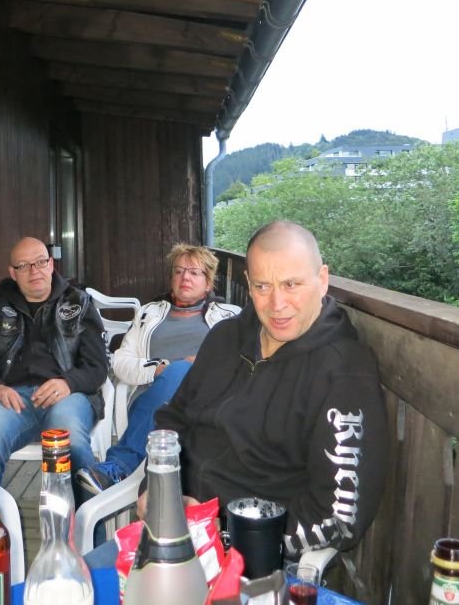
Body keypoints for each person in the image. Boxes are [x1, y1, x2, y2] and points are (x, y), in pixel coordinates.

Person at [150, 220, 389, 556]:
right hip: (171, 525)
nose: (277, 303)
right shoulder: (224, 338)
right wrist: (156, 487)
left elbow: (338, 520)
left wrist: (224, 535)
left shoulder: (343, 374)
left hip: (249, 555)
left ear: (322, 280)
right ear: (248, 284)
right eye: (263, 286)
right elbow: (173, 418)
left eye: (291, 284)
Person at [74, 243, 239, 495]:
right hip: (154, 398)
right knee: (177, 371)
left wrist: (202, 363)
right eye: (179, 271)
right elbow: (120, 361)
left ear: (208, 283)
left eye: (194, 272)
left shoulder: (230, 316)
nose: (185, 277)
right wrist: (157, 369)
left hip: (209, 397)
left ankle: (119, 466)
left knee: (182, 369)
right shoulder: (148, 314)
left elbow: (242, 359)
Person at [0, 237, 108, 485]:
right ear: (13, 273)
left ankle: (87, 511)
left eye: (40, 262)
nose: (34, 271)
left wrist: (68, 383)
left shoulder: (79, 303)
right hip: (13, 400)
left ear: (51, 264)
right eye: (23, 266)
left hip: (68, 396)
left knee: (68, 440)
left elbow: (98, 366)